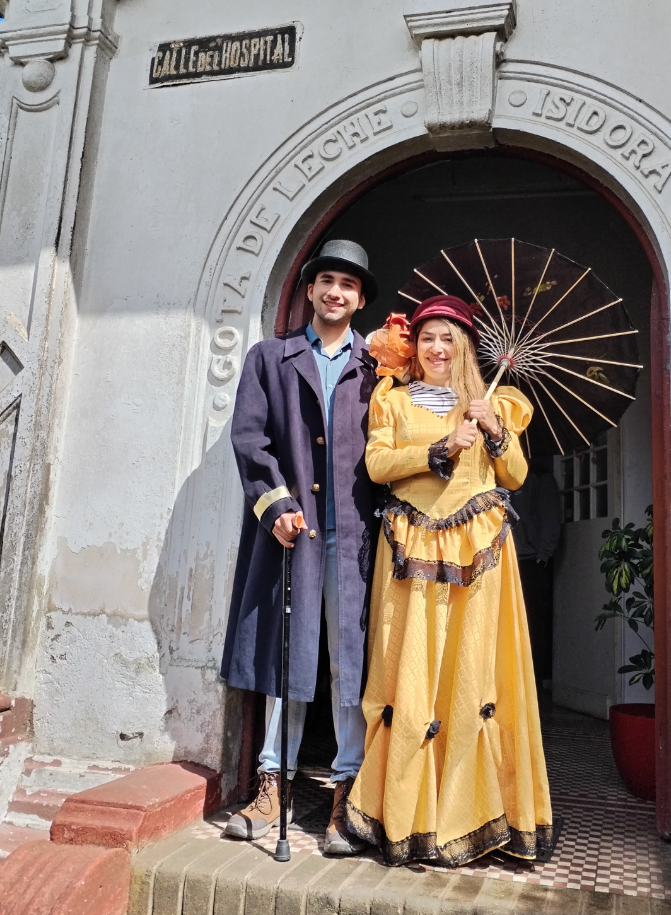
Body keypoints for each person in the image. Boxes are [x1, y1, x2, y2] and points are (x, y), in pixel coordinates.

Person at [338, 295, 555, 866]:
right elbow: (377, 466)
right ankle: (400, 814)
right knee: (406, 671)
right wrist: (438, 446)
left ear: (463, 347)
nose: (437, 348)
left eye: (448, 339)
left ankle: (468, 814)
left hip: (480, 556)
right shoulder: (393, 399)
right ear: (417, 346)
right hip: (410, 549)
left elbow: (516, 475)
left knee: (470, 674)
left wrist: (493, 432)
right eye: (428, 337)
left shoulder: (495, 402)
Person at [217, 239, 379, 857]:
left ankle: (348, 790)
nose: (336, 292)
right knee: (289, 654)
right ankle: (272, 783)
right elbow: (250, 440)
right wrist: (277, 505)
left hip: (360, 535)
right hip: (295, 529)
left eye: (349, 284)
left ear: (361, 299)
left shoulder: (380, 368)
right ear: (310, 290)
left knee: (349, 661)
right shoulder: (269, 358)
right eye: (327, 281)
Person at [510, 456, 564, 697]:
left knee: (532, 625)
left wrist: (542, 557)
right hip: (501, 562)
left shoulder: (540, 478)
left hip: (530, 562)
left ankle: (533, 687)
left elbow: (551, 520)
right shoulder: (501, 474)